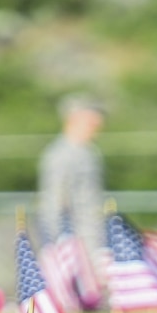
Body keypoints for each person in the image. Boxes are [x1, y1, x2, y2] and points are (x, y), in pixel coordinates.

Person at [38, 93, 106, 257]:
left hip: (92, 234)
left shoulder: (88, 152)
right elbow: (54, 202)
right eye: (91, 120)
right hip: (76, 240)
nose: (98, 124)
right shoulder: (60, 154)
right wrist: (59, 241)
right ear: (74, 119)